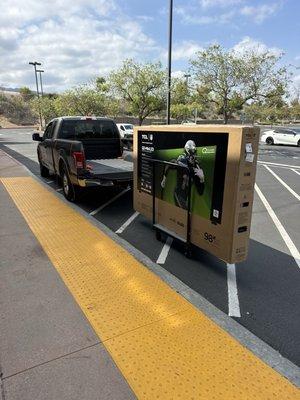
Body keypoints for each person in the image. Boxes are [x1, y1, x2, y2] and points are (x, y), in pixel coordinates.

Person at [160, 140, 205, 209]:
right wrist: (164, 178)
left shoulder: (196, 169)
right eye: (190, 153)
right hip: (178, 194)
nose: (192, 156)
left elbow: (200, 192)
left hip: (185, 198)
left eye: (193, 152)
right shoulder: (182, 162)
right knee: (185, 210)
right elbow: (170, 163)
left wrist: (202, 179)